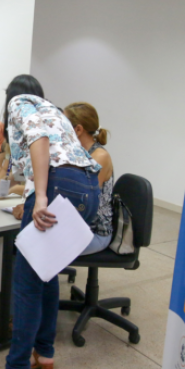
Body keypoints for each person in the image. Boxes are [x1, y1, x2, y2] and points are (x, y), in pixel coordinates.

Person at [0, 74, 101, 369]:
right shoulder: (55, 111)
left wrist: (39, 198)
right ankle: (44, 353)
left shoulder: (19, 102)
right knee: (47, 274)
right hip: (87, 189)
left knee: (25, 286)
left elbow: (39, 139)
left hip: (57, 186)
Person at [64, 102, 114, 255]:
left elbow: (81, 200)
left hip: (93, 233)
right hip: (73, 226)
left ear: (78, 129)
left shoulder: (99, 157)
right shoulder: (75, 152)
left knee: (36, 247)